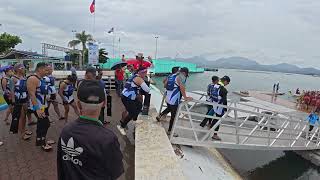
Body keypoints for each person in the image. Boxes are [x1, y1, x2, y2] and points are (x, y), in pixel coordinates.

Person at [57, 80, 124, 180]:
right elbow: (115, 173)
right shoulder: (108, 138)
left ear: (78, 105)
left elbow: (61, 165)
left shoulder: (66, 131)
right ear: (104, 103)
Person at [156, 67, 193, 136]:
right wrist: (185, 97)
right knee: (174, 116)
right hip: (174, 100)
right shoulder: (181, 77)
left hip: (168, 98)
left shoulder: (171, 75)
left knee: (169, 108)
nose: (186, 77)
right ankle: (170, 131)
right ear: (184, 73)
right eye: (186, 75)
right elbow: (182, 87)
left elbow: (164, 84)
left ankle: (160, 115)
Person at [117, 67, 151, 135]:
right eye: (145, 73)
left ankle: (134, 120)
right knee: (132, 113)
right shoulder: (139, 79)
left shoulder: (134, 76)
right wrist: (145, 82)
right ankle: (122, 127)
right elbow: (147, 90)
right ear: (141, 73)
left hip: (129, 96)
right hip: (127, 97)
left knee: (139, 105)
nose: (146, 74)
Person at [27, 62, 53, 151]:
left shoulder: (41, 79)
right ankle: (42, 142)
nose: (47, 72)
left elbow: (41, 92)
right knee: (45, 123)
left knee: (43, 123)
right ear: (39, 69)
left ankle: (42, 140)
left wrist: (48, 98)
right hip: (37, 106)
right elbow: (32, 94)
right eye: (45, 70)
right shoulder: (32, 79)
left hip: (43, 106)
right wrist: (37, 109)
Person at [10, 64, 32, 140]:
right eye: (23, 68)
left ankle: (24, 129)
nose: (24, 69)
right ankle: (22, 133)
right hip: (18, 100)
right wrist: (13, 102)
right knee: (21, 117)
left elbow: (27, 89)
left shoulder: (24, 77)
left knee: (24, 116)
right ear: (18, 69)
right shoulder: (13, 78)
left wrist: (29, 99)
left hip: (25, 99)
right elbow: (12, 91)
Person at [209, 76, 230, 141]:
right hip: (219, 107)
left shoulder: (215, 86)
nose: (227, 84)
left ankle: (212, 127)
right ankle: (215, 135)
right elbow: (224, 101)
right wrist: (226, 110)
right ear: (225, 81)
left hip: (214, 105)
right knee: (218, 120)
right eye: (228, 83)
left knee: (216, 118)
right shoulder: (223, 90)